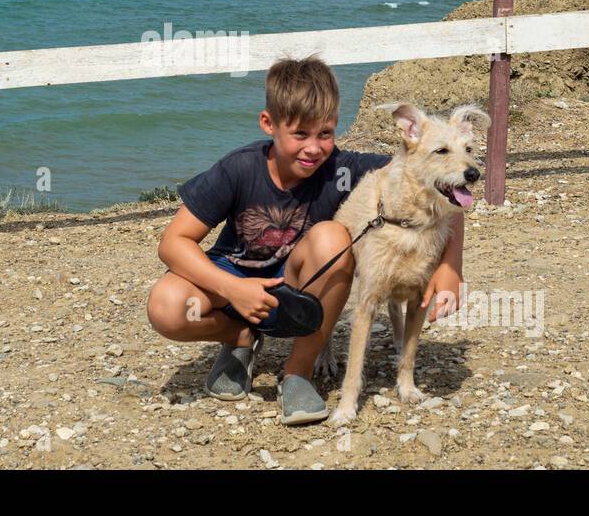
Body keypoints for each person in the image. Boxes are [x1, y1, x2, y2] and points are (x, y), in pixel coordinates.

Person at [145, 53, 465, 425]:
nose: (313, 148)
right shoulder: (238, 168)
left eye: (324, 133)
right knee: (167, 306)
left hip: (301, 289)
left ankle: (298, 372)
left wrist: (449, 266)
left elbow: (439, 187)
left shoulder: (343, 171)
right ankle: (241, 338)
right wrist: (233, 289)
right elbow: (173, 242)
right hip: (232, 280)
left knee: (333, 236)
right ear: (269, 123)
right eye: (300, 134)